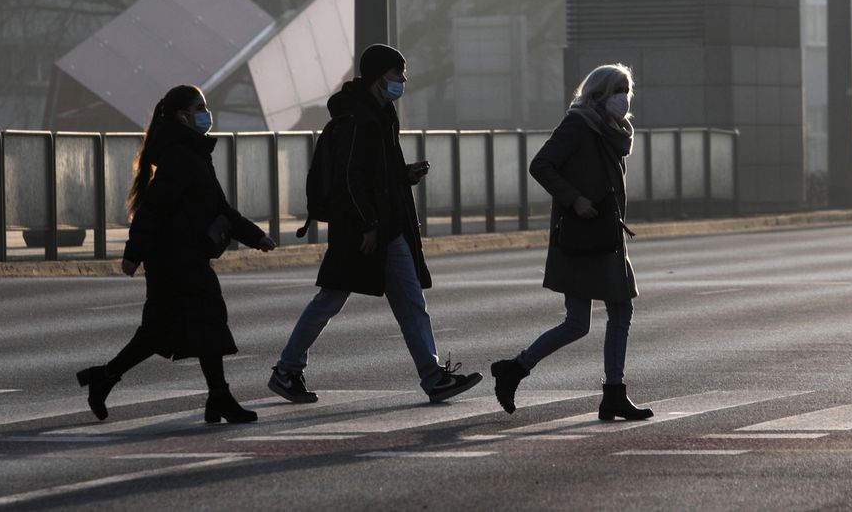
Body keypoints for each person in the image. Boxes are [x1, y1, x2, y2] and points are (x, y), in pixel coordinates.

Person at [268, 44, 482, 404]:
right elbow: (350, 178)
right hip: (366, 228)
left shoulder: (379, 113)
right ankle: (288, 369)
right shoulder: (359, 119)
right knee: (333, 299)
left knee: (402, 302)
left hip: (382, 225)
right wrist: (368, 223)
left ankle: (433, 377)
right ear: (379, 76)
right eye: (397, 73)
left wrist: (402, 175)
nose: (403, 80)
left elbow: (372, 173)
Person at [77, 85, 277, 423]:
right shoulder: (182, 156)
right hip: (174, 257)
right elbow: (152, 208)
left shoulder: (189, 152)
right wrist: (133, 252)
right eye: (199, 107)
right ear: (183, 116)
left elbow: (220, 208)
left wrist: (255, 236)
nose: (205, 113)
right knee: (208, 321)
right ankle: (219, 398)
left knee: (160, 331)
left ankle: (105, 377)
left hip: (178, 255)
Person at [491, 63, 653, 421]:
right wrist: (574, 198)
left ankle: (612, 392)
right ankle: (516, 369)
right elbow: (541, 164)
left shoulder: (613, 130)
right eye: (617, 90)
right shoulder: (579, 124)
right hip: (583, 237)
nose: (623, 98)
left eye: (627, 89)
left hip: (606, 235)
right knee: (580, 322)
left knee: (617, 311)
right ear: (598, 94)